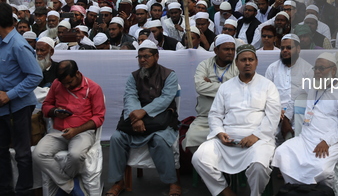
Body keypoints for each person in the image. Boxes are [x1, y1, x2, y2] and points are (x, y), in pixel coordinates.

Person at [192, 44, 281, 196]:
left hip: (258, 140)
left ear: (256, 62)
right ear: (236, 63)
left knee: (259, 166)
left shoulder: (268, 86)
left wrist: (256, 136)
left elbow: (273, 115)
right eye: (243, 60)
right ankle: (225, 191)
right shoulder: (225, 87)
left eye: (251, 59)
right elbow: (215, 114)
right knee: (199, 158)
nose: (247, 63)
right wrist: (220, 132)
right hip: (227, 139)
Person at [105, 40, 181, 196]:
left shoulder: (169, 75)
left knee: (159, 140)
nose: (142, 60)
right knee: (116, 138)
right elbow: (130, 97)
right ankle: (118, 182)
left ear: (156, 56)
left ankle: (172, 181)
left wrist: (143, 112)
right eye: (139, 57)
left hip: (161, 118)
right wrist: (136, 117)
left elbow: (165, 99)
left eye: (146, 56)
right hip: (136, 118)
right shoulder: (133, 76)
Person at [272, 52, 338, 190]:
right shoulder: (312, 85)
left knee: (320, 168)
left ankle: (322, 192)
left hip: (332, 141)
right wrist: (286, 116)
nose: (317, 72)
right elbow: (295, 95)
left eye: (321, 68)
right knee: (282, 152)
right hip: (307, 138)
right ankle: (296, 189)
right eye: (315, 68)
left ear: (333, 70)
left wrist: (327, 141)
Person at [33, 60, 105, 196]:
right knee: (38, 154)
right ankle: (69, 185)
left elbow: (98, 118)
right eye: (63, 83)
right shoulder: (57, 84)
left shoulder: (93, 88)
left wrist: (76, 131)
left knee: (76, 155)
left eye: (69, 82)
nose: (66, 86)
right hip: (58, 131)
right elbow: (46, 106)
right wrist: (54, 111)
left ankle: (63, 186)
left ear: (77, 74)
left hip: (82, 132)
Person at [0, 2, 43, 196]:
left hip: (17, 107)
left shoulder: (18, 44)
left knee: (22, 153)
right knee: (1, 153)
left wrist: (10, 95)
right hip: (2, 108)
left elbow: (35, 76)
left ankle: (24, 191)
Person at [184, 35, 239, 153]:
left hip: (231, 117)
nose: (230, 52)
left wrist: (211, 84)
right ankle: (205, 166)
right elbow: (199, 87)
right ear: (216, 50)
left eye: (232, 49)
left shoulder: (238, 65)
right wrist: (229, 86)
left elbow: (240, 90)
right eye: (226, 49)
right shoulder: (204, 65)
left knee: (236, 141)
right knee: (191, 138)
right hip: (206, 118)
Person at [265, 34, 314, 141]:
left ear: (298, 49)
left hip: (299, 114)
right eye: (282, 48)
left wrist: (287, 117)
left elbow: (306, 96)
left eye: (289, 47)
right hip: (275, 113)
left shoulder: (308, 69)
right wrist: (277, 111)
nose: (285, 50)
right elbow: (266, 94)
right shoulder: (272, 68)